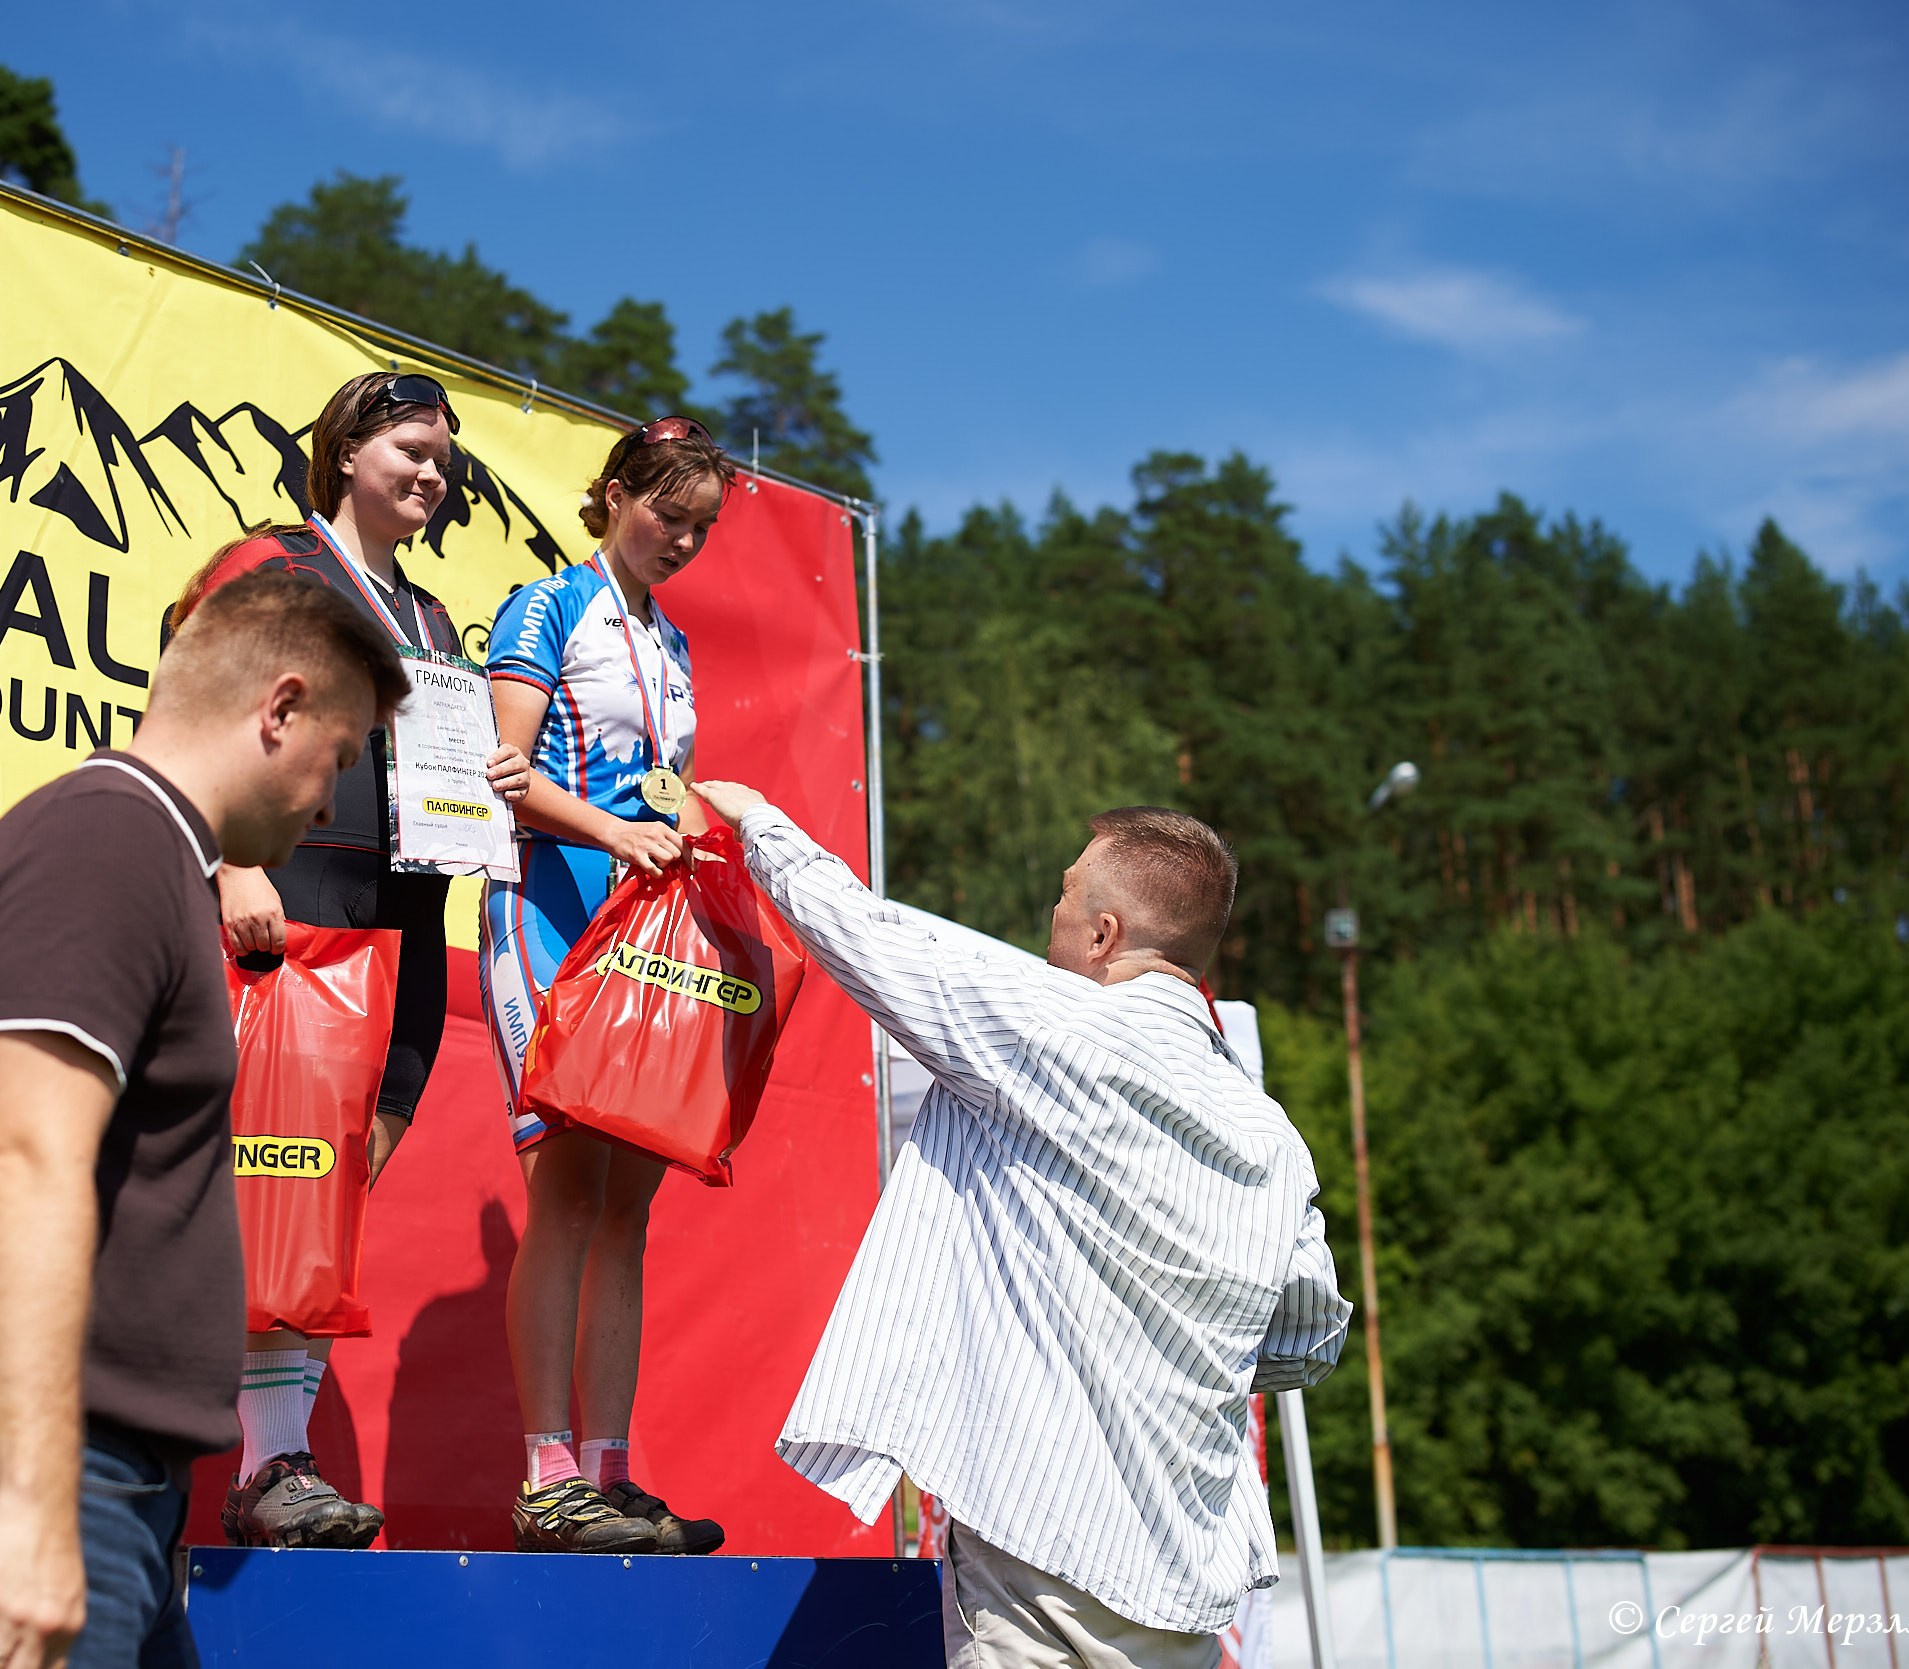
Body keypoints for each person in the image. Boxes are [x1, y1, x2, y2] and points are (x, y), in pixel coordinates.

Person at [0, 572, 411, 1669]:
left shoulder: (150, 857)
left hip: (101, 1487)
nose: (329, 802)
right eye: (337, 761)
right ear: (277, 709)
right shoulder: (107, 842)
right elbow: (25, 1159)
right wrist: (34, 1509)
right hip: (29, 1479)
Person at [688, 781, 1353, 1669]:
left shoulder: (1050, 1029)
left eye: (1066, 894)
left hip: (1039, 1539)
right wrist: (1185, 1345)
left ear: (1105, 934)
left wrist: (756, 820)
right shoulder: (1272, 1135)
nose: (1053, 913)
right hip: (1184, 1577)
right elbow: (1310, 1338)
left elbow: (872, 938)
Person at [167, 369, 531, 1550]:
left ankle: (276, 1464)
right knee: (262, 1182)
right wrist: (231, 857)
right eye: (409, 447)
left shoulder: (430, 624)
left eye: (442, 456)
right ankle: (266, 1465)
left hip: (408, 923)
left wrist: (491, 794)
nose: (430, 471)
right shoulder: (270, 562)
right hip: (295, 905)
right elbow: (185, 694)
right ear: (345, 450)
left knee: (325, 1186)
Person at [480, 416, 739, 1554]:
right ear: (615, 492)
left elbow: (666, 786)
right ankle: (546, 1473)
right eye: (664, 514)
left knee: (628, 1205)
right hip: (546, 906)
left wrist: (688, 832)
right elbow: (502, 775)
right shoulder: (545, 604)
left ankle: (611, 1469)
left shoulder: (677, 646)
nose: (680, 540)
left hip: (642, 926)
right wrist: (611, 833)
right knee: (567, 1188)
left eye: (700, 527)